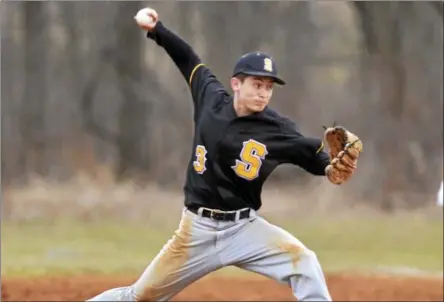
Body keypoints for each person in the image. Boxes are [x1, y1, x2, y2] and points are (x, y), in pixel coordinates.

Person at [86, 7, 362, 302]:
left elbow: (313, 156)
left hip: (244, 229)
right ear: (236, 84)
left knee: (304, 263)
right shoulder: (210, 98)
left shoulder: (278, 128)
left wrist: (330, 168)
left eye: (268, 87)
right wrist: (157, 30)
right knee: (139, 297)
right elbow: (188, 59)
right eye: (257, 84)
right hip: (196, 232)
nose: (263, 93)